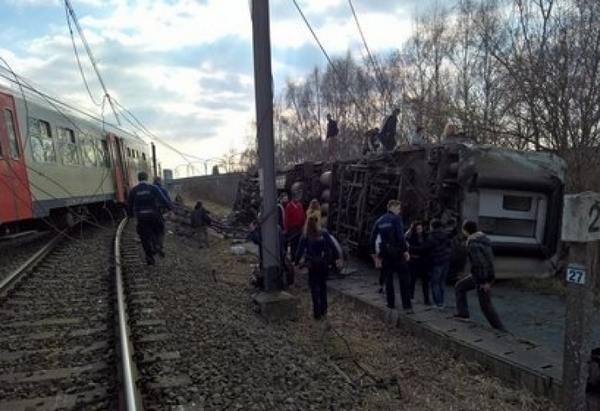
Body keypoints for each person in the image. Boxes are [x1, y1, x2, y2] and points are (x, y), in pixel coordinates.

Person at [454, 220, 506, 331]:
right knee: (460, 287)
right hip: (480, 275)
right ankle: (463, 314)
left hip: (481, 277)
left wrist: (485, 282)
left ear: (465, 230)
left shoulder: (474, 244)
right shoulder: (483, 240)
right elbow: (490, 261)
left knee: (485, 305)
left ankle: (500, 329)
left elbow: (481, 264)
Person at [369, 199, 412, 313]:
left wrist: (375, 257)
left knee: (388, 279)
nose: (399, 211)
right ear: (392, 207)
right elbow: (400, 237)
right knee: (404, 278)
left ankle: (390, 303)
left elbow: (372, 240)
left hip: (385, 253)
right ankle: (406, 305)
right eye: (398, 208)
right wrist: (405, 251)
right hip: (397, 252)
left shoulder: (379, 220)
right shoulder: (396, 219)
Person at [295, 215, 341, 320]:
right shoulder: (324, 233)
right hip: (323, 264)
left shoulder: (306, 235)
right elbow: (333, 247)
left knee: (314, 288)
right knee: (323, 286)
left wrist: (297, 262)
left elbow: (299, 250)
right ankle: (324, 310)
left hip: (312, 265)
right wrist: (336, 259)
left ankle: (317, 313)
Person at [127, 171, 173, 265]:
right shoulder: (153, 188)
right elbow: (163, 199)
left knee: (144, 238)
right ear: (147, 178)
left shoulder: (134, 190)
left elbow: (129, 204)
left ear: (139, 179)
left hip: (141, 217)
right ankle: (157, 245)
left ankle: (150, 259)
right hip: (154, 215)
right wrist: (170, 209)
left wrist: (130, 215)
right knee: (159, 230)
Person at [413, 219, 451, 310]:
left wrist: (410, 247)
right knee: (441, 283)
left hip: (437, 262)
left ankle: (438, 303)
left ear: (432, 226)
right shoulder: (445, 234)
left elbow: (423, 248)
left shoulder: (432, 237)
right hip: (446, 261)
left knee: (435, 283)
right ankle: (442, 302)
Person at [405, 220, 431, 305]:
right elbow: (407, 244)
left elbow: (425, 247)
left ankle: (426, 299)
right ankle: (410, 296)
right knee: (411, 280)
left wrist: (414, 248)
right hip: (413, 260)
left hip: (422, 260)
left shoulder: (426, 236)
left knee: (425, 281)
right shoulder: (411, 236)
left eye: (421, 228)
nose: (420, 230)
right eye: (418, 228)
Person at [283, 193, 305, 260]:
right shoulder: (289, 206)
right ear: (293, 198)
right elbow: (286, 218)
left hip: (299, 227)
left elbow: (302, 215)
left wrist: (303, 225)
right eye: (296, 198)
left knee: (300, 243)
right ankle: (293, 257)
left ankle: (298, 257)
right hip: (293, 228)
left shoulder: (299, 205)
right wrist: (286, 229)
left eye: (298, 198)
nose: (298, 199)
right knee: (293, 243)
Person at [153, 176, 171, 252]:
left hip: (151, 212)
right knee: (161, 230)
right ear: (159, 181)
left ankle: (155, 245)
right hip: (161, 212)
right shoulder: (163, 189)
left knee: (153, 230)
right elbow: (168, 201)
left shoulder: (151, 188)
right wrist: (171, 209)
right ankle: (160, 246)